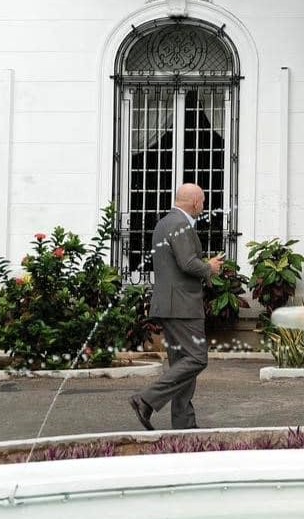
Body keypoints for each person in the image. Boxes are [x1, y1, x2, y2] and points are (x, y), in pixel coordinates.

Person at [130, 183, 222, 430]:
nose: (203, 207)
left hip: (170, 304)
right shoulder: (180, 224)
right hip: (182, 305)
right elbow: (187, 262)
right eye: (202, 202)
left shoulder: (164, 223)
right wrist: (209, 267)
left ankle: (184, 424)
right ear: (194, 202)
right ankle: (146, 399)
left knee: (182, 363)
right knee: (196, 358)